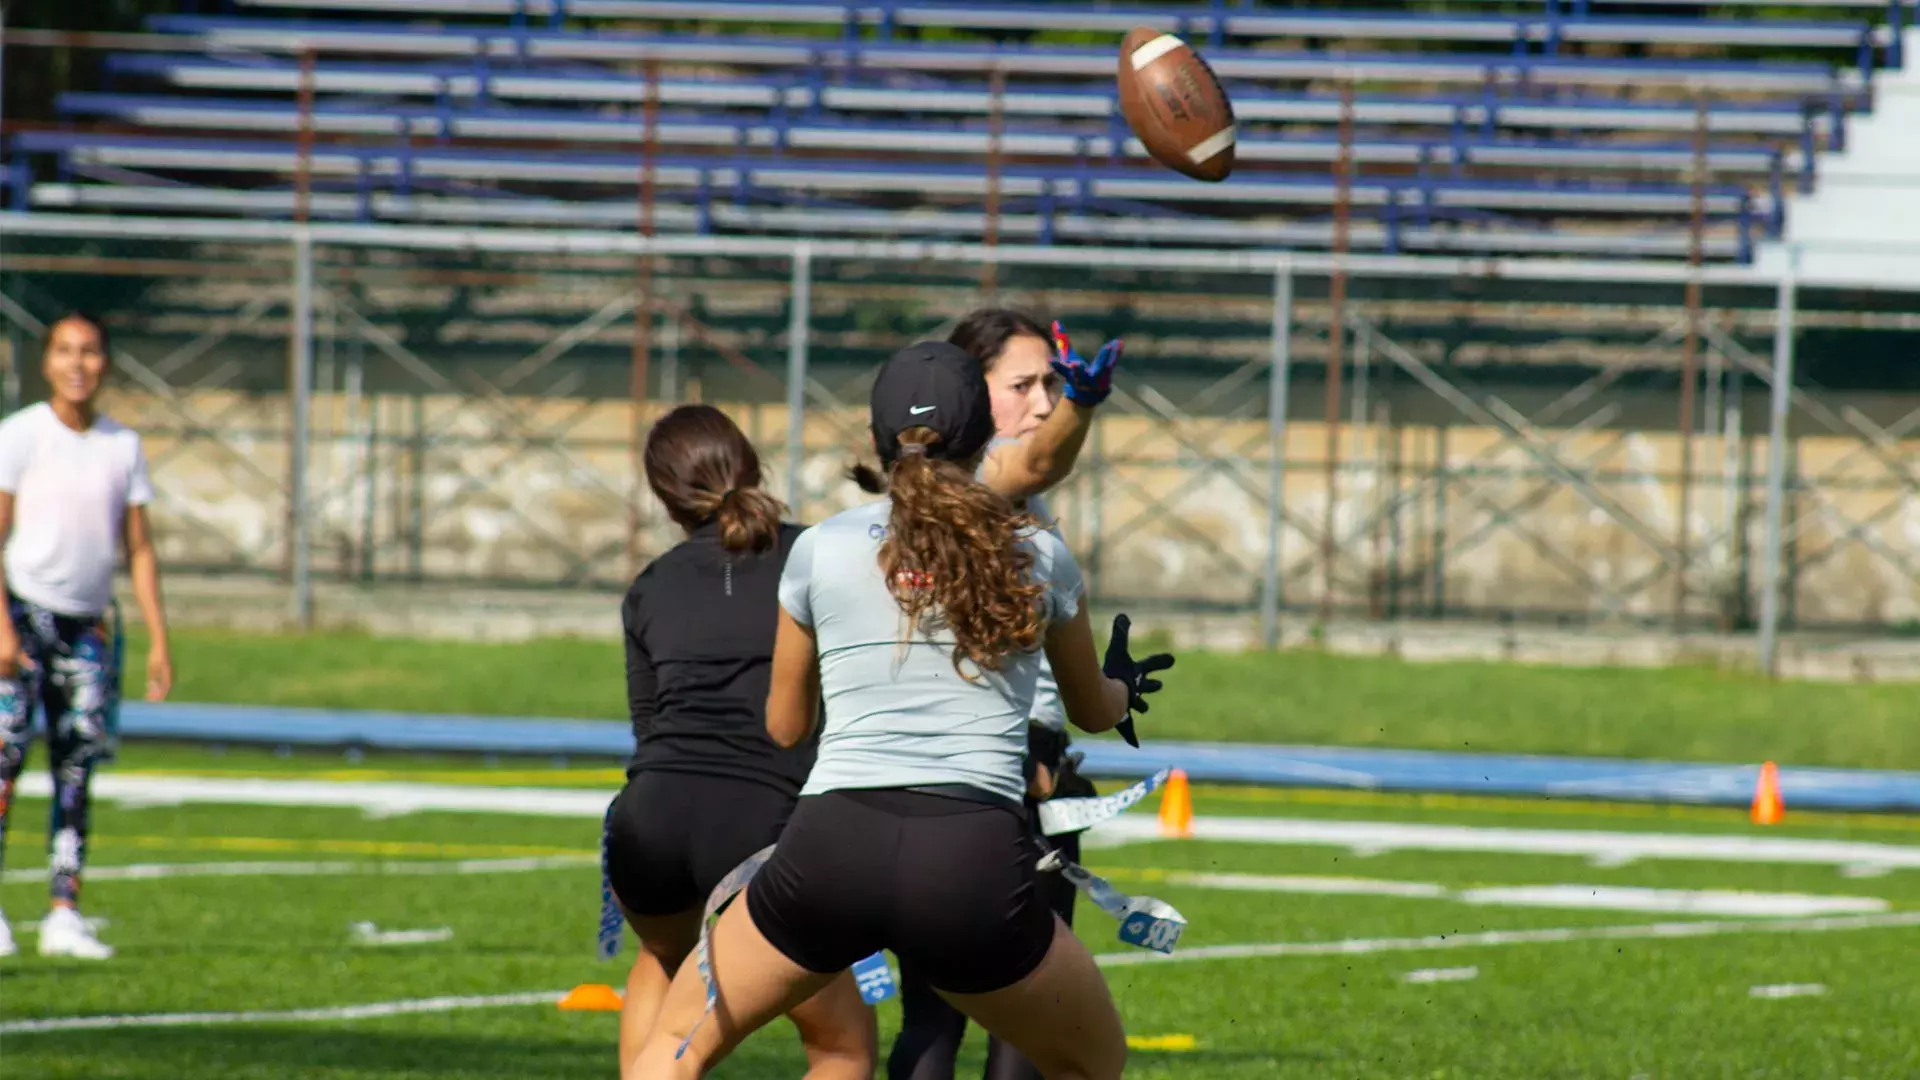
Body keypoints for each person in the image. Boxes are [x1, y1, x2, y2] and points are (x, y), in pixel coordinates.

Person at [629, 340, 1174, 1080]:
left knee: (673, 1047)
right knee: (1091, 1061)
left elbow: (785, 727)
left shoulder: (820, 547)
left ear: (878, 441)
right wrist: (1121, 688)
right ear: (986, 434)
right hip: (970, 856)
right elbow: (1092, 710)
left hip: (832, 845)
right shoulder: (1037, 553)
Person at [607, 403, 874, 1079]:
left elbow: (648, 725)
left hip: (649, 821)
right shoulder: (818, 553)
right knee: (840, 1045)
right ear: (752, 467)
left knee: (663, 960)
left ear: (664, 498)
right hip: (762, 818)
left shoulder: (649, 586)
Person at [889, 309, 1123, 1080]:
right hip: (1003, 777)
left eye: (1053, 384)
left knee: (934, 1017)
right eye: (1022, 385)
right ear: (964, 392)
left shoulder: (918, 496)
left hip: (931, 785)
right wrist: (1087, 408)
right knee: (1023, 1028)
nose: (1045, 403)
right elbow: (1039, 466)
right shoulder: (979, 479)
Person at [0, 311, 174, 961]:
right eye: (66, 351)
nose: (79, 364)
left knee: (76, 769)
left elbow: (140, 548)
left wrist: (159, 637)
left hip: (88, 628)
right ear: (47, 361)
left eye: (91, 351)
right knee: (3, 764)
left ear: (107, 361)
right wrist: (2, 630)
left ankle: (63, 910)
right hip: (22, 617)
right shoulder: (19, 437)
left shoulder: (121, 446)